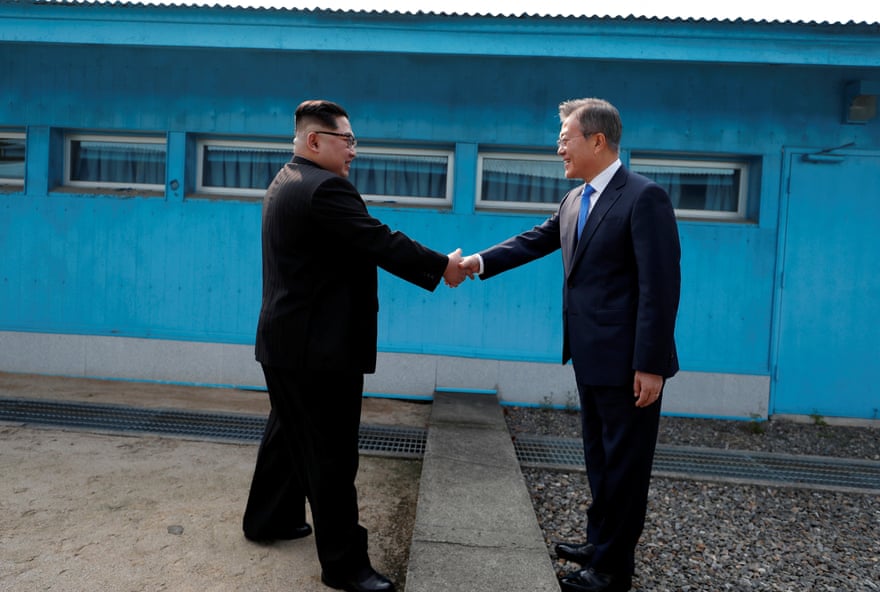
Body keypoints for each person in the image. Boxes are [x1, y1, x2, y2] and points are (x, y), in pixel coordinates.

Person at [243, 99, 467, 592]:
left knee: (288, 434)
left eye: (354, 142)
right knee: (330, 455)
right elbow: (380, 241)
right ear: (314, 140)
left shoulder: (286, 180)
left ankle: (268, 519)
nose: (354, 152)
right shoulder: (325, 189)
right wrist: (442, 265)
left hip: (285, 343)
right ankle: (345, 567)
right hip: (318, 351)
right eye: (346, 141)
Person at [460, 97, 681, 592]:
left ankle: (612, 571)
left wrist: (651, 364)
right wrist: (475, 262)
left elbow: (660, 288)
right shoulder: (576, 199)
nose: (558, 146)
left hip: (629, 364)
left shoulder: (644, 197)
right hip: (590, 357)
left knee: (625, 466)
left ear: (597, 141)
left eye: (566, 137)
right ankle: (600, 543)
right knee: (600, 458)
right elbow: (535, 240)